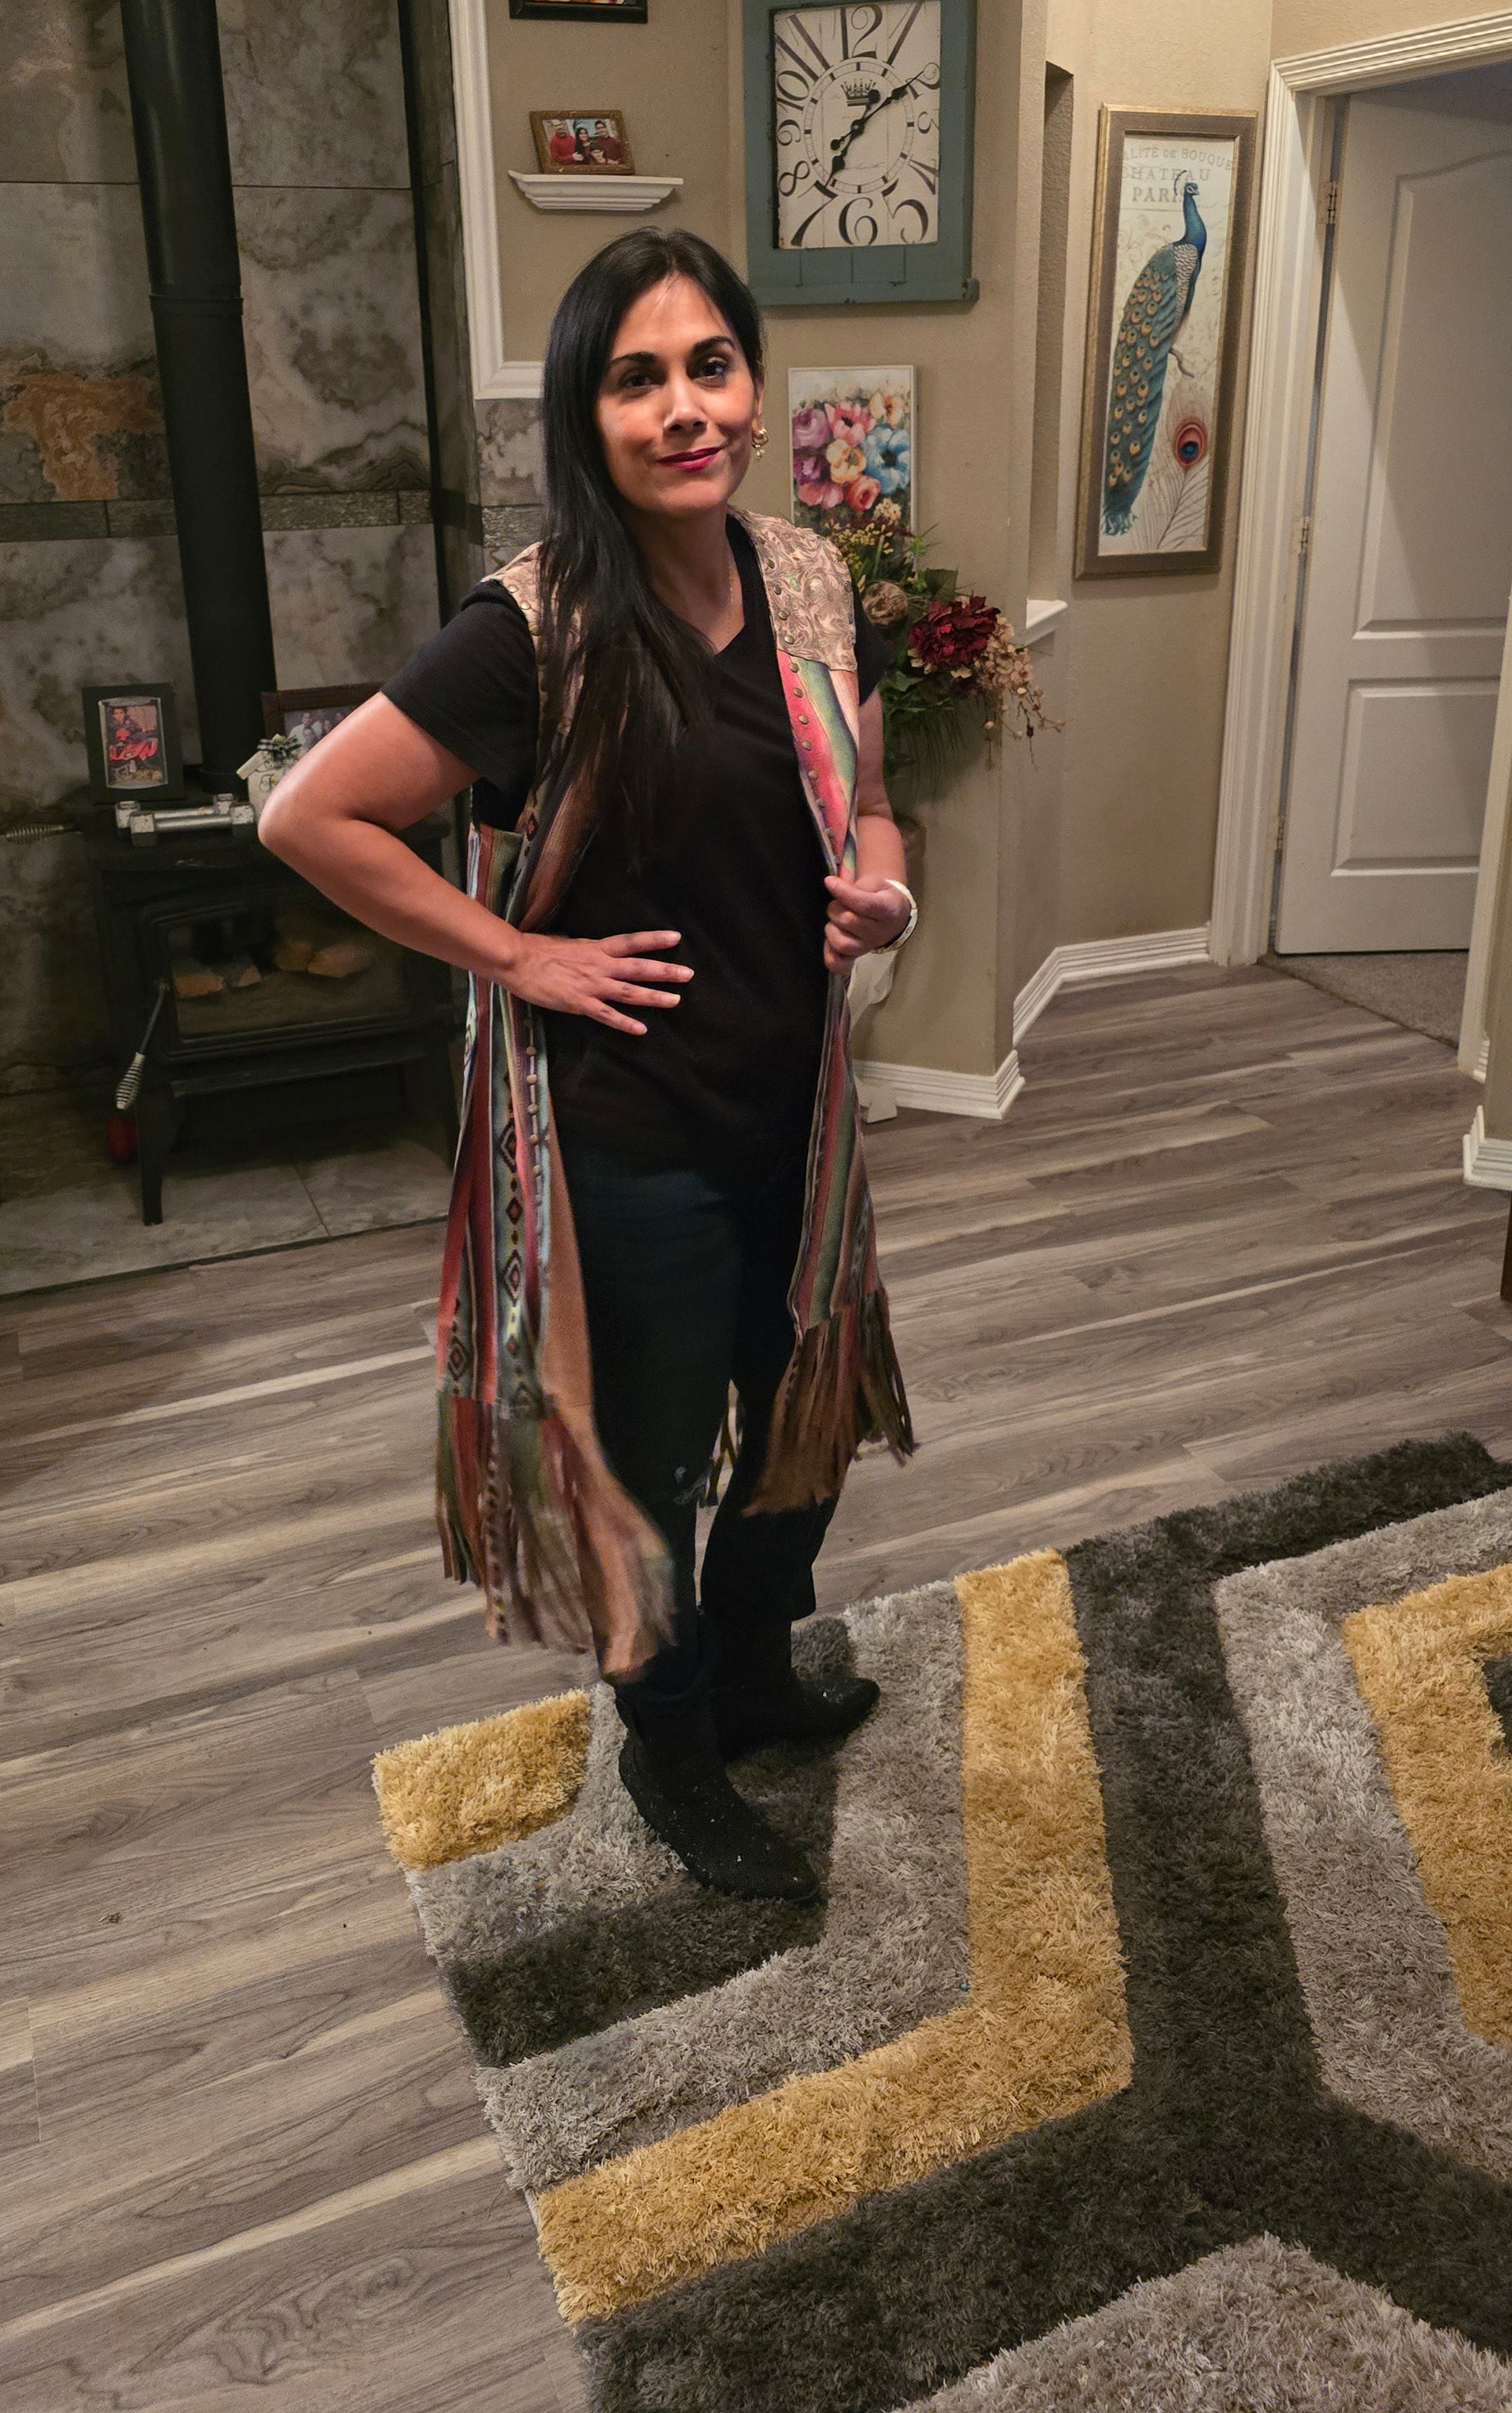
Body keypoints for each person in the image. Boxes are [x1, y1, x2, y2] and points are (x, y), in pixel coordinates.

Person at [259, 228, 915, 1903]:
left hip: (800, 1115)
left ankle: (754, 1674)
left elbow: (867, 798)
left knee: (802, 1422)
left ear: (751, 382)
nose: (686, 408)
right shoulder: (531, 628)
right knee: (653, 1471)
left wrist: (886, 887)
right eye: (638, 379)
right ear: (585, 413)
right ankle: (669, 1744)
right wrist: (518, 954)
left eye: (710, 365)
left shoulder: (808, 579)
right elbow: (309, 817)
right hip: (629, 1141)